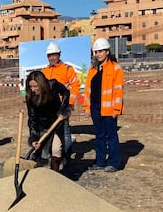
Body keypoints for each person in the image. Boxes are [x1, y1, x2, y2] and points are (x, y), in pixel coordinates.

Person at [83, 38, 124, 172]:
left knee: (111, 136)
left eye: (101, 51)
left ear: (107, 51)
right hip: (95, 107)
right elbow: (88, 89)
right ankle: (100, 162)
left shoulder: (115, 68)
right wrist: (87, 108)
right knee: (99, 136)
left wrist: (116, 109)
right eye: (96, 52)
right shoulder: (92, 69)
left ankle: (113, 162)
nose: (98, 54)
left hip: (109, 108)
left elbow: (118, 90)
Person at [41, 42, 81, 160]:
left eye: (54, 55)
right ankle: (51, 154)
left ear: (59, 55)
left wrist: (70, 103)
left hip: (62, 106)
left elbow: (75, 85)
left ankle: (67, 155)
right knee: (48, 130)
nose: (52, 58)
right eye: (49, 55)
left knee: (65, 131)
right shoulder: (44, 71)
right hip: (48, 107)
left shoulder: (67, 69)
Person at [25, 70, 70, 171]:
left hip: (57, 121)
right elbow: (32, 119)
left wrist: (62, 110)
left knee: (56, 149)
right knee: (43, 152)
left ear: (42, 84)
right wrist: (33, 138)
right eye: (30, 87)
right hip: (43, 125)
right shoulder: (30, 97)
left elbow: (66, 92)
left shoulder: (53, 85)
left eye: (35, 86)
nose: (33, 89)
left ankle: (56, 172)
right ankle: (45, 172)